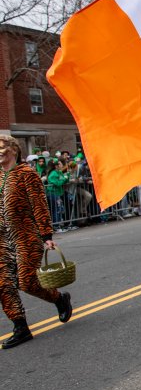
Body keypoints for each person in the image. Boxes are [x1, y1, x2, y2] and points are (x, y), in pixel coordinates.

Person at [0, 135, 72, 349]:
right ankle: (20, 327)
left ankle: (59, 299)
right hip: (2, 239)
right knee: (3, 284)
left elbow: (39, 205)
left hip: (25, 236)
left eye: (2, 147)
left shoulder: (26, 174)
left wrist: (47, 236)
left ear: (13, 149)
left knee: (27, 282)